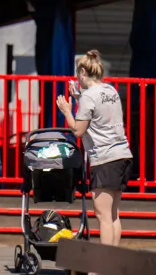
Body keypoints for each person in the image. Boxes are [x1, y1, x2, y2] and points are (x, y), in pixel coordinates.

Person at [56, 50, 132, 246]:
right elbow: (99, 109)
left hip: (105, 159)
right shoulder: (110, 90)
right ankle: (113, 260)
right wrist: (79, 95)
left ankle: (105, 262)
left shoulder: (88, 97)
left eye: (77, 75)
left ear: (82, 72)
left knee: (103, 216)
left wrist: (66, 110)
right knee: (113, 215)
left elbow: (78, 130)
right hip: (122, 155)